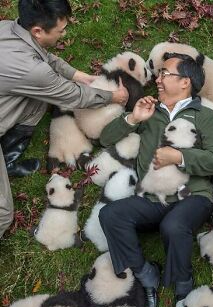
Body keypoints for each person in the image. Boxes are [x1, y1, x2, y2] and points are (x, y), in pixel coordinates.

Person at [98, 53, 213, 307]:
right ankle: (146, 275)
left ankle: (183, 286)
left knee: (174, 225)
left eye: (165, 73)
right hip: (151, 197)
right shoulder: (149, 110)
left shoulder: (206, 116)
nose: (158, 78)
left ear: (185, 82)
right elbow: (105, 139)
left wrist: (178, 157)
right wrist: (133, 117)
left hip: (192, 197)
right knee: (110, 215)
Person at [0, 0, 128, 238]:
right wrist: (114, 97)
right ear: (38, 31)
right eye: (61, 30)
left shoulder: (8, 28)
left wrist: (79, 75)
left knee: (38, 97)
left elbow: (44, 59)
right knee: (3, 213)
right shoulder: (31, 71)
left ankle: (8, 158)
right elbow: (73, 95)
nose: (65, 33)